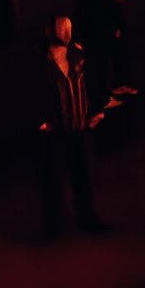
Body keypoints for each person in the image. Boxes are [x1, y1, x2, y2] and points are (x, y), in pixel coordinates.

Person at [37, 17, 108, 235]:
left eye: (69, 28)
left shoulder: (78, 55)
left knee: (84, 176)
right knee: (54, 179)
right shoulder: (42, 61)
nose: (67, 32)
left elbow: (92, 81)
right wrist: (40, 121)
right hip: (55, 131)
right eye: (62, 28)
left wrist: (97, 110)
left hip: (80, 127)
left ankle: (88, 220)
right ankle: (55, 226)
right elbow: (31, 91)